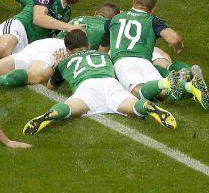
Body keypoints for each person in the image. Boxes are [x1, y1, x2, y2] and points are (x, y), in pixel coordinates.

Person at [22, 29, 177, 135]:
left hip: (86, 86)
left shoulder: (65, 62)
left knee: (70, 108)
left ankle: (52, 113)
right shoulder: (103, 56)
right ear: (88, 44)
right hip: (109, 82)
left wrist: (58, 64)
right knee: (130, 106)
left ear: (68, 50)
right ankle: (147, 106)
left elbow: (51, 86)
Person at [0, 3, 120, 96]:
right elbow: (103, 53)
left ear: (96, 12)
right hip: (57, 51)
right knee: (34, 76)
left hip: (42, 44)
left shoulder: (79, 18)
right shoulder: (109, 27)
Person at [101, 0, 209, 109]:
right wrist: (178, 47)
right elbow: (174, 39)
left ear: (133, 2)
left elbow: (103, 50)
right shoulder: (153, 20)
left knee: (138, 91)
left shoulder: (114, 20)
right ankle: (190, 86)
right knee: (160, 93)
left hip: (123, 62)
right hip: (146, 62)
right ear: (152, 9)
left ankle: (179, 83)